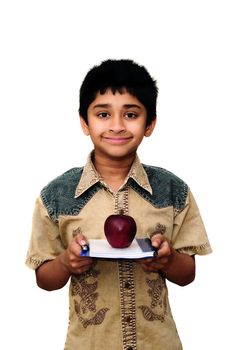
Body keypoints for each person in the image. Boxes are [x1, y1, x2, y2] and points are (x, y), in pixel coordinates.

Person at [26, 59, 212, 350]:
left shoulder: (173, 191)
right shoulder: (56, 196)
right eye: (103, 113)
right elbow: (44, 279)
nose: (116, 126)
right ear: (84, 122)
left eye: (131, 114)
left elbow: (187, 274)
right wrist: (66, 262)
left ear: (149, 124)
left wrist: (168, 259)